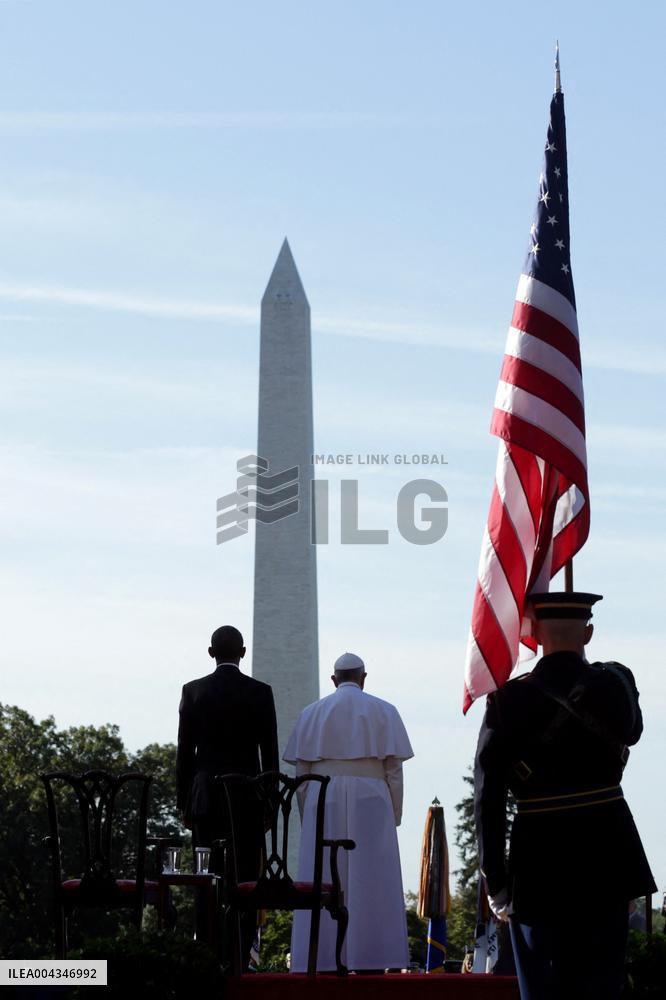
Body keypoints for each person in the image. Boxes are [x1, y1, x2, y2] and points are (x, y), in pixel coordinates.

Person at [474, 591, 656, 1000]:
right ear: (588, 633)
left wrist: (496, 878)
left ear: (534, 634)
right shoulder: (616, 682)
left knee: (541, 988)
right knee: (601, 985)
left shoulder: (507, 699)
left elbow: (488, 793)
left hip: (540, 860)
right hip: (607, 853)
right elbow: (634, 731)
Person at [284, 652, 413, 972]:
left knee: (323, 875)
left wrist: (308, 815)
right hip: (371, 799)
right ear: (363, 678)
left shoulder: (311, 713)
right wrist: (393, 814)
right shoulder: (385, 711)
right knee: (372, 879)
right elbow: (393, 770)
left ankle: (322, 958)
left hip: (322, 797)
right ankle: (373, 956)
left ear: (333, 680)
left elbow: (301, 776)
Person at [176, 624, 278, 962]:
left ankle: (206, 951)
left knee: (206, 877)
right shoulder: (260, 692)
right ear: (243, 653)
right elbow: (270, 756)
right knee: (247, 879)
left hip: (205, 800)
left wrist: (183, 803)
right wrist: (270, 805)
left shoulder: (193, 691)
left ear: (211, 653)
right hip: (247, 799)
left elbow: (184, 755)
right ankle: (241, 954)